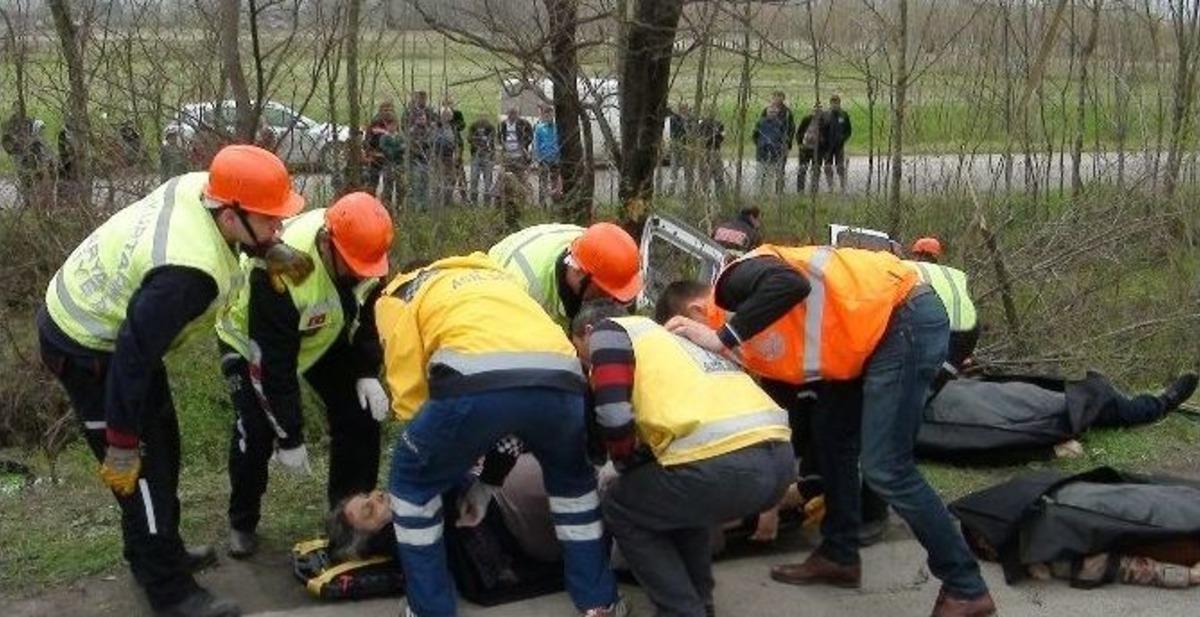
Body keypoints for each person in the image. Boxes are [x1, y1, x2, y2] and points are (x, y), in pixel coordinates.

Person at [37, 145, 305, 617]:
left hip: (120, 332)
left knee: (165, 444)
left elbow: (141, 342)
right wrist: (121, 442)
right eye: (270, 221)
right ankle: (170, 593)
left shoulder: (208, 187)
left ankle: (158, 551)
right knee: (143, 472)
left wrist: (266, 249)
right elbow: (132, 359)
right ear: (229, 215)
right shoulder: (187, 274)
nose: (278, 227)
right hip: (89, 348)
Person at [662, 244, 997, 617]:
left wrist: (721, 337)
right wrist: (769, 498)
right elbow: (790, 418)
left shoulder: (732, 284)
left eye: (689, 341)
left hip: (904, 319)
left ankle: (966, 587)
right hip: (870, 339)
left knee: (887, 467)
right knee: (832, 432)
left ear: (694, 315)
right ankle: (840, 555)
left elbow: (790, 283)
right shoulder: (755, 337)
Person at [370, 254, 627, 617]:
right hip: (562, 380)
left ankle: (428, 609)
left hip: (471, 385)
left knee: (412, 483)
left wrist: (434, 451)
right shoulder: (502, 282)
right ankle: (600, 603)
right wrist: (489, 483)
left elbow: (410, 390)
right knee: (574, 489)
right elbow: (519, 403)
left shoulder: (402, 294)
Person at [572, 300, 794, 617]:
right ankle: (701, 603)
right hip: (779, 460)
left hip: (724, 465)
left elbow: (612, 415)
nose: (587, 364)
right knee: (677, 502)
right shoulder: (669, 339)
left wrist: (622, 464)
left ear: (588, 332)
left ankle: (680, 610)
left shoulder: (609, 333)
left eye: (581, 353)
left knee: (620, 503)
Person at [213, 192, 393, 559]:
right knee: (256, 432)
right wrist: (290, 435)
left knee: (359, 414)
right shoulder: (282, 270)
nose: (361, 274)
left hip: (320, 333)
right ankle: (242, 521)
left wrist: (364, 370)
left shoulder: (368, 256)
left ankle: (348, 516)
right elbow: (273, 364)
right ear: (328, 244)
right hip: (251, 343)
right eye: (353, 267)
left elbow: (372, 317)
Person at [487, 222, 642, 327]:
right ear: (580, 272)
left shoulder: (594, 250)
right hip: (496, 297)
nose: (608, 301)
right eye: (602, 291)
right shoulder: (525, 289)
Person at [907, 237, 979, 371]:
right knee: (947, 370)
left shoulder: (912, 270)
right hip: (970, 330)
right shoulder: (951, 274)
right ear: (936, 257)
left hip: (939, 329)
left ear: (916, 255)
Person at [365, 101, 403, 210]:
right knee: (372, 183)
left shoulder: (395, 123)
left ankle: (392, 207)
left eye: (390, 110)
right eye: (385, 110)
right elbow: (367, 140)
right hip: (376, 157)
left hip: (390, 159)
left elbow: (400, 138)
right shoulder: (375, 122)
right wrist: (370, 153)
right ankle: (369, 206)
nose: (387, 112)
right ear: (380, 111)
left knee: (391, 184)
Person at [753, 105, 787, 197]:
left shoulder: (780, 124)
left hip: (774, 153)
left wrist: (778, 148)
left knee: (770, 175)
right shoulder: (760, 122)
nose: (772, 114)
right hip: (762, 152)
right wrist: (760, 144)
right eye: (770, 112)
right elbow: (755, 135)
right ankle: (757, 194)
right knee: (760, 173)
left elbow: (783, 138)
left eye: (775, 112)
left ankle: (768, 195)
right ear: (767, 112)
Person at [431, 108, 461, 209]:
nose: (446, 117)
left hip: (449, 156)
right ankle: (437, 202)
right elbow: (432, 142)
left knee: (452, 179)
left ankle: (447, 200)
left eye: (448, 115)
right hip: (438, 156)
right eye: (444, 115)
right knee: (439, 179)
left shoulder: (453, 128)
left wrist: (457, 154)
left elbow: (457, 142)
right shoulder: (436, 127)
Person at [533, 104, 562, 207]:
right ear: (544, 115)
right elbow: (536, 144)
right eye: (547, 115)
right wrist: (538, 158)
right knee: (543, 182)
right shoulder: (539, 128)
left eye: (551, 114)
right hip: (543, 159)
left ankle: (555, 203)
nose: (549, 117)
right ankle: (542, 204)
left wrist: (559, 156)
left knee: (555, 181)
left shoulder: (557, 128)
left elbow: (560, 142)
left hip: (555, 158)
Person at [821, 94, 852, 192]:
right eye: (833, 103)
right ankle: (830, 187)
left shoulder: (843, 115)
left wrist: (843, 138)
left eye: (836, 103)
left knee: (840, 166)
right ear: (830, 103)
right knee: (827, 167)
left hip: (839, 146)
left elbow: (848, 130)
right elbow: (820, 129)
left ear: (839, 103)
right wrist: (823, 140)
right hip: (827, 146)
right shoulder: (825, 115)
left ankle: (843, 186)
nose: (835, 105)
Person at [466, 116, 497, 206]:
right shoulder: (473, 127)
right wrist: (477, 141)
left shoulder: (491, 128)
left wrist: (491, 154)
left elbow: (492, 140)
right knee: (474, 178)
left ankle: (487, 202)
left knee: (488, 180)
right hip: (476, 155)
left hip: (487, 155)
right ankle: (473, 201)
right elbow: (469, 138)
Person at [695, 113, 726, 200]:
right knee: (704, 177)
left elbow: (722, 137)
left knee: (719, 175)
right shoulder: (701, 124)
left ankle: (720, 197)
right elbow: (698, 137)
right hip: (704, 151)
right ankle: (705, 197)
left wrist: (715, 135)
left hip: (715, 151)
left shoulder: (719, 124)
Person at [795, 103, 823, 193]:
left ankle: (814, 190)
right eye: (815, 110)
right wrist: (800, 144)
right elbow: (799, 132)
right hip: (805, 148)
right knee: (802, 169)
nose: (816, 112)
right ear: (812, 110)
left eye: (819, 110)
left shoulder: (824, 121)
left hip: (817, 149)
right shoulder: (807, 119)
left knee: (816, 170)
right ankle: (800, 190)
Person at [666, 103, 693, 196]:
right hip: (677, 147)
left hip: (685, 148)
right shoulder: (674, 119)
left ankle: (688, 191)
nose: (687, 111)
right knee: (674, 170)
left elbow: (691, 132)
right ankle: (671, 191)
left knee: (687, 170)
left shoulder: (688, 120)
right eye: (685, 109)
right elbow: (677, 132)